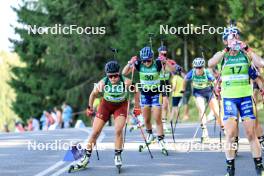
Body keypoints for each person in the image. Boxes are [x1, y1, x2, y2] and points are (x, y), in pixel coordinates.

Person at [208, 25, 264, 176]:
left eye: (237, 37)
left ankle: (259, 168)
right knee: (231, 134)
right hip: (229, 100)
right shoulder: (223, 55)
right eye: (231, 37)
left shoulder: (246, 54)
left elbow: (261, 64)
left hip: (246, 97)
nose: (235, 40)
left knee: (251, 133)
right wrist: (226, 50)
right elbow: (210, 63)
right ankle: (230, 170)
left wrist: (247, 48)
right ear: (225, 41)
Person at [68, 60, 135, 172]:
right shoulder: (102, 84)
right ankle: (85, 158)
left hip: (121, 106)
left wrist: (137, 107)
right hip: (106, 105)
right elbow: (93, 95)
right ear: (107, 75)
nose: (113, 78)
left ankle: (117, 155)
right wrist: (89, 108)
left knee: (118, 130)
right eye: (110, 76)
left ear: (119, 73)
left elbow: (136, 91)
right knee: (95, 132)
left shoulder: (126, 82)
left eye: (115, 76)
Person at [122, 46, 181, 155]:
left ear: (152, 58)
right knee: (146, 119)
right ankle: (150, 135)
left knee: (157, 118)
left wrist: (165, 61)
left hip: (156, 94)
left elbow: (173, 70)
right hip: (144, 95)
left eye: (148, 60)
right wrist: (130, 63)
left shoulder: (158, 64)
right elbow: (124, 72)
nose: (146, 63)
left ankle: (161, 139)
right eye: (144, 60)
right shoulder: (138, 64)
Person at [182, 57, 221, 143]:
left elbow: (214, 81)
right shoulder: (192, 72)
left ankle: (223, 127)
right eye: (196, 67)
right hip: (198, 92)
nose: (198, 69)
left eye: (200, 67)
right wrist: (183, 89)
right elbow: (185, 79)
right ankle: (205, 133)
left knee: (216, 112)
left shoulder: (206, 72)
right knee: (201, 109)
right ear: (194, 67)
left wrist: (217, 91)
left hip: (208, 91)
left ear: (203, 67)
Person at [157, 45, 173, 133]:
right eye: (161, 54)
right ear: (159, 54)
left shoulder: (168, 61)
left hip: (165, 82)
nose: (163, 56)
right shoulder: (155, 62)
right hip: (157, 83)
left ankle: (164, 123)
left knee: (165, 103)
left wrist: (165, 62)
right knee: (154, 104)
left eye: (165, 54)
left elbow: (172, 70)